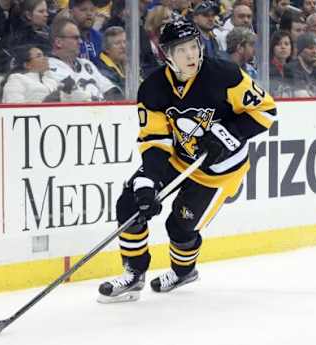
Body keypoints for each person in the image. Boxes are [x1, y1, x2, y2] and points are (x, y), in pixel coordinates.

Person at [97, 19, 277, 302]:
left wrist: (226, 136)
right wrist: (149, 182)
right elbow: (156, 141)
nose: (191, 55)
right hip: (179, 158)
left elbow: (265, 112)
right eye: (182, 50)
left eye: (193, 46)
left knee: (180, 226)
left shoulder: (225, 75)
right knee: (131, 202)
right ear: (166, 53)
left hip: (219, 171)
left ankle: (183, 271)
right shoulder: (153, 88)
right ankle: (134, 273)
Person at [47, 17, 122, 101]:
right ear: (58, 42)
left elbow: (111, 90)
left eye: (80, 38)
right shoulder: (49, 67)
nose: (80, 42)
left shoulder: (86, 64)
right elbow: (75, 95)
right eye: (75, 38)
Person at [284, 32, 316, 97]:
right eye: (310, 48)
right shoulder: (292, 68)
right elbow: (301, 96)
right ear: (301, 50)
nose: (315, 51)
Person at [96, 26, 127, 95]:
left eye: (124, 42)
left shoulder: (126, 63)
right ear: (107, 49)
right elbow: (122, 95)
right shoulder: (103, 71)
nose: (123, 46)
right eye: (117, 43)